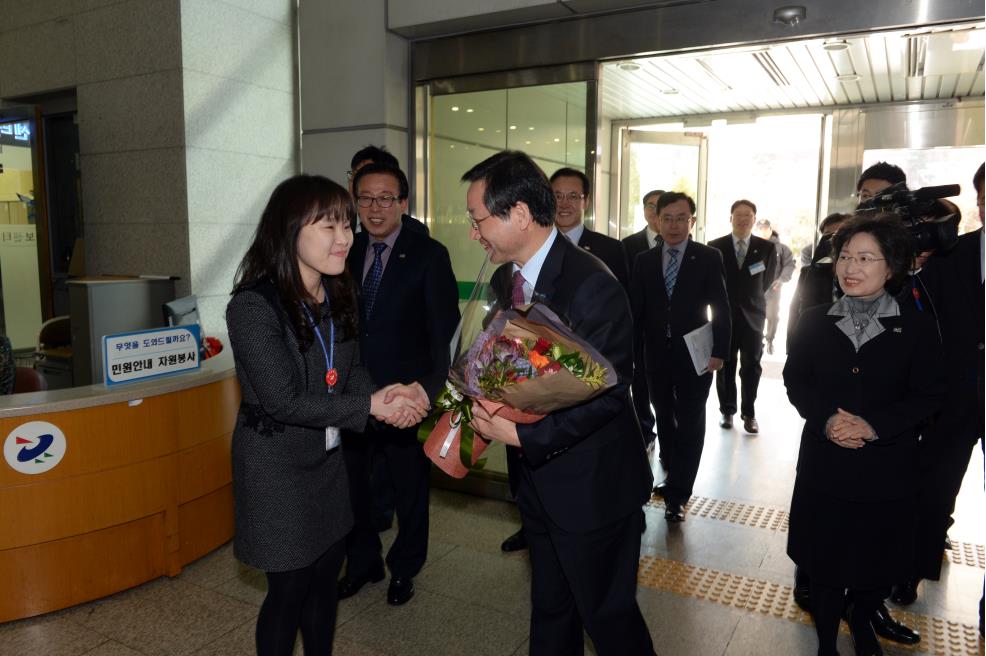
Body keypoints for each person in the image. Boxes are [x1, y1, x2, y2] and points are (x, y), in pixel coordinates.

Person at [225, 175, 428, 656]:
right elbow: (283, 400)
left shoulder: (336, 293)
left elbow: (351, 370)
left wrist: (385, 398)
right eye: (328, 226)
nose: (345, 238)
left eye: (347, 224)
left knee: (324, 581)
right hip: (276, 469)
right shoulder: (253, 307)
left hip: (326, 463)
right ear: (288, 231)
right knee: (288, 592)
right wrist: (370, 406)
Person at [464, 150, 655, 656]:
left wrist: (524, 435)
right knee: (550, 610)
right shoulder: (509, 279)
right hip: (537, 483)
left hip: (594, 488)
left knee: (609, 620)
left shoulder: (592, 284)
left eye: (478, 219)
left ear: (520, 214)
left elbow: (609, 394)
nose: (473, 233)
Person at [784, 216, 944, 656]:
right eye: (845, 257)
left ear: (891, 266)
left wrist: (874, 426)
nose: (850, 267)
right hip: (825, 464)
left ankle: (862, 615)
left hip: (887, 467)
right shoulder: (814, 320)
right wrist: (826, 421)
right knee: (825, 562)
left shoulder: (916, 327)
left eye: (865, 258)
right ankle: (825, 642)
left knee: (880, 560)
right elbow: (796, 380)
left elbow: (929, 395)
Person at [338, 163, 460, 607]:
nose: (375, 208)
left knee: (409, 491)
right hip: (354, 396)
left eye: (385, 198)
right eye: (366, 198)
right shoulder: (344, 251)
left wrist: (425, 394)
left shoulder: (428, 254)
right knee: (355, 488)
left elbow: (444, 336)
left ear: (403, 203)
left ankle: (404, 568)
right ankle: (363, 560)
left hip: (406, 399)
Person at [892, 165, 984, 607]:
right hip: (953, 399)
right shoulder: (950, 256)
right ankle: (912, 571)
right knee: (934, 490)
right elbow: (916, 320)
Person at [631, 191, 730, 522]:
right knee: (663, 415)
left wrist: (720, 351)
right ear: (657, 220)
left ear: (692, 221)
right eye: (667, 218)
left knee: (691, 420)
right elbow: (637, 312)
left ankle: (679, 494)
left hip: (696, 353)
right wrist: (632, 353)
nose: (674, 225)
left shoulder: (708, 257)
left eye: (681, 218)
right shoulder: (645, 260)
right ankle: (673, 474)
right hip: (656, 354)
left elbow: (721, 306)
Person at [709, 199, 777, 434]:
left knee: (751, 366)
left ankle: (749, 413)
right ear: (731, 218)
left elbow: (766, 282)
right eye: (738, 215)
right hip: (723, 317)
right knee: (725, 365)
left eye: (747, 215)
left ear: (754, 219)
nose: (742, 219)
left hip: (753, 317)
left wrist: (751, 300)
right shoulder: (715, 246)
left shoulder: (766, 248)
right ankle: (727, 411)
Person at [623, 188, 665, 445]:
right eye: (650, 205)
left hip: (669, 329)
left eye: (659, 205)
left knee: (664, 383)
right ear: (644, 210)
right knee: (638, 382)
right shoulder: (627, 246)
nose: (654, 210)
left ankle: (670, 430)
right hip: (637, 325)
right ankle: (645, 431)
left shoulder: (682, 243)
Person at [549, 167, 629, 289]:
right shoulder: (535, 245)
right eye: (558, 196)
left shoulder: (611, 249)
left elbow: (620, 301)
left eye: (573, 196)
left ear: (586, 202)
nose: (564, 204)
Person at [348, 145, 429, 236]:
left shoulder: (414, 230)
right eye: (354, 174)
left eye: (366, 173)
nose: (355, 182)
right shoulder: (342, 220)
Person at [754, 219, 795, 355]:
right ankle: (758, 341)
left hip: (774, 289)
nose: (763, 231)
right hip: (756, 289)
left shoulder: (781, 248)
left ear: (770, 229)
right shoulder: (753, 246)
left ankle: (770, 339)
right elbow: (749, 268)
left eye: (766, 228)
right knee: (756, 315)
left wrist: (781, 280)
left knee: (772, 316)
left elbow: (789, 264)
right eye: (761, 228)